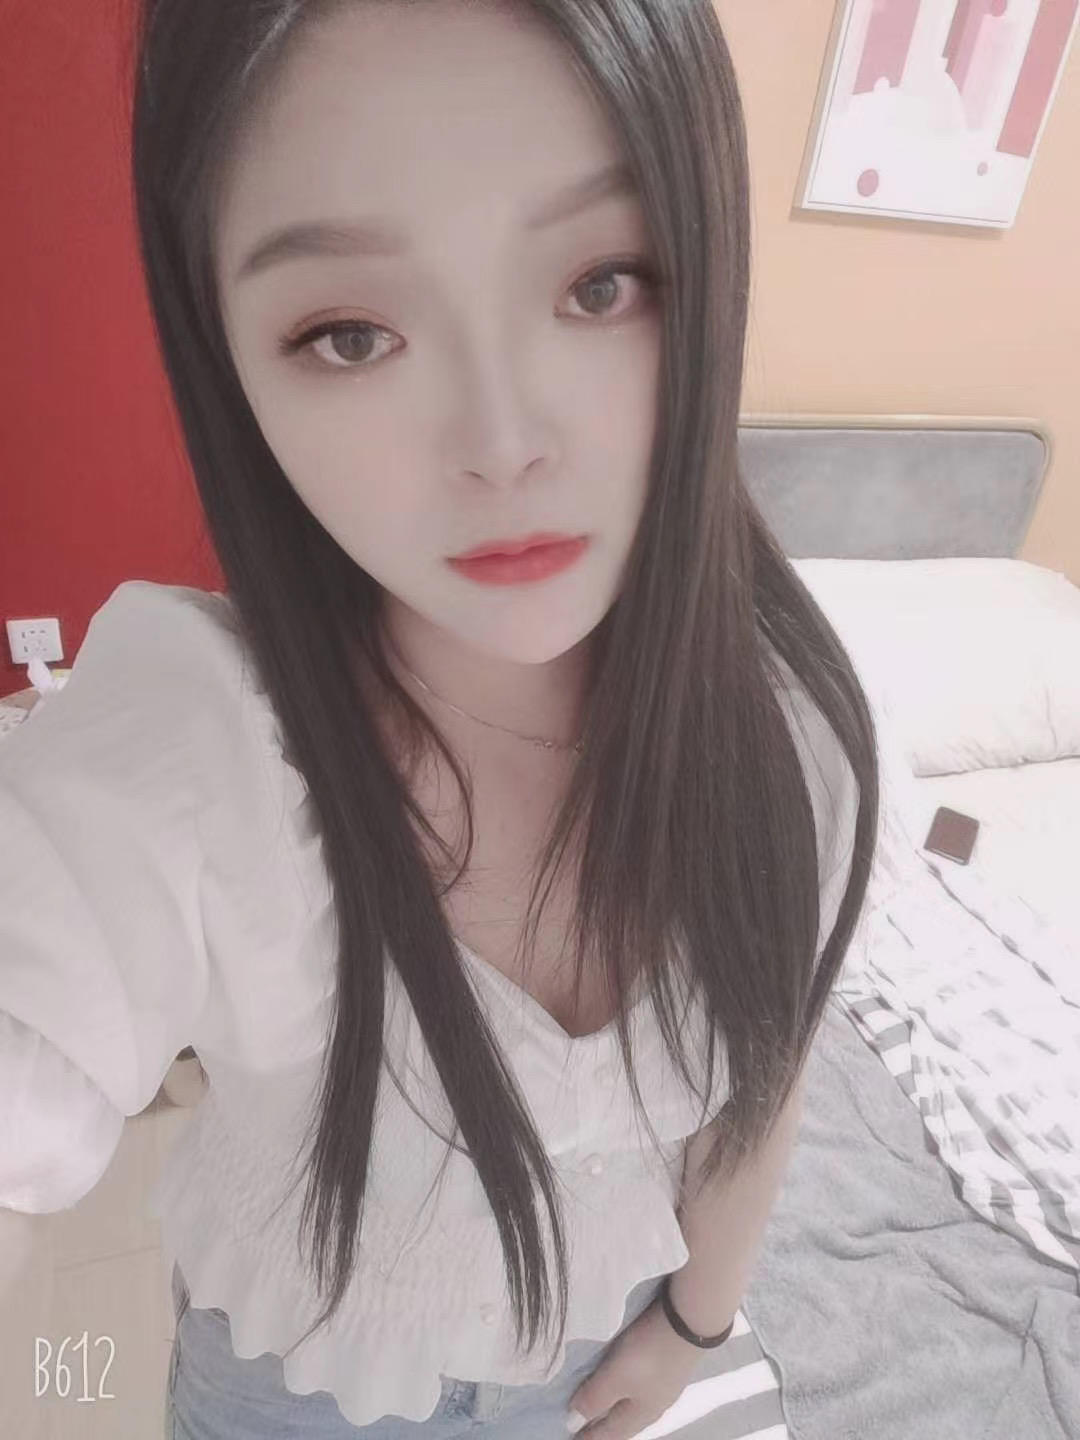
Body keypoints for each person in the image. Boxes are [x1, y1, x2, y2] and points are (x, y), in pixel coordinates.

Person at [0, 1, 879, 1436]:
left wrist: (692, 1323)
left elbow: (759, 1077)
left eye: (601, 283)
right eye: (351, 334)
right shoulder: (202, 745)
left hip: (588, 1365)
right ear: (230, 359)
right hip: (287, 1388)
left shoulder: (801, 749)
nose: (502, 444)